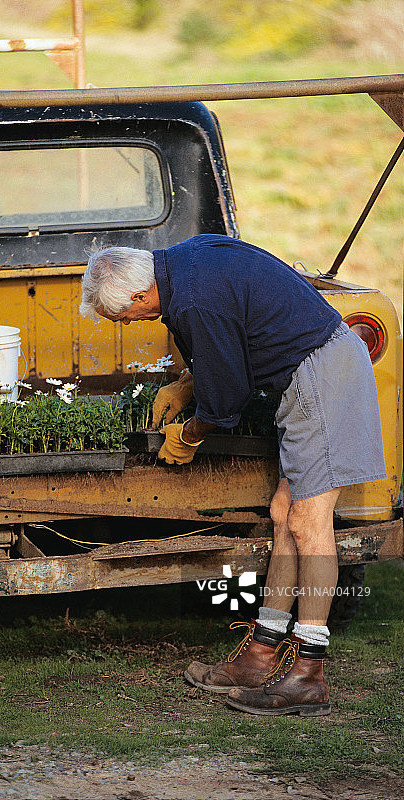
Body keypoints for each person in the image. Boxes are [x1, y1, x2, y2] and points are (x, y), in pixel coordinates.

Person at [79, 234, 386, 716]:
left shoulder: (196, 301)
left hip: (323, 378)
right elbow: (232, 336)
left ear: (141, 295)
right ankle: (261, 655)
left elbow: (226, 399)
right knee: (284, 512)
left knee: (309, 523)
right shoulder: (186, 260)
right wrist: (187, 383)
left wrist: (190, 433)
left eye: (126, 316)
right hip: (307, 377)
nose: (131, 323)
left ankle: (309, 672)